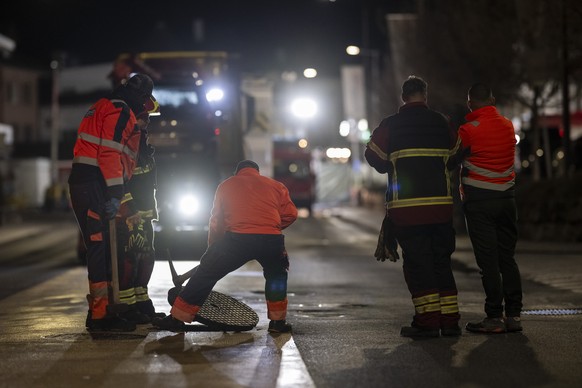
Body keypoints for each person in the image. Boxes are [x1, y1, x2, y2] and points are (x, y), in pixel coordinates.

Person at [364, 75, 462, 338]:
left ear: (403, 97)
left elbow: (372, 154)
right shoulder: (442, 122)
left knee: (419, 266)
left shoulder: (391, 126)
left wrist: (389, 166)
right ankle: (450, 322)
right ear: (425, 95)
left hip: (408, 211)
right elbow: (457, 153)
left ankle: (428, 323)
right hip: (441, 208)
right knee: (442, 262)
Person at [152, 160, 298, 333]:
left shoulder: (226, 185)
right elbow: (291, 214)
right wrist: (270, 227)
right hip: (271, 240)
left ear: (238, 172)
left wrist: (213, 248)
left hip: (237, 239)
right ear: (257, 172)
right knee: (277, 277)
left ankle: (177, 319)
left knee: (206, 273)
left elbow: (216, 222)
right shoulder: (275, 185)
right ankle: (277, 323)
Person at [68, 73, 156, 332]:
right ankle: (101, 317)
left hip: (83, 183)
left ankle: (101, 311)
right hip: (96, 183)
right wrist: (116, 193)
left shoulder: (101, 105)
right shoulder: (121, 110)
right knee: (101, 249)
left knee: (101, 249)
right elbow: (109, 151)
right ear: (141, 98)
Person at [454, 83, 522, 333]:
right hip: (507, 200)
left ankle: (494, 317)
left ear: (470, 103)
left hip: (480, 202)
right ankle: (514, 315)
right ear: (492, 99)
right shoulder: (507, 125)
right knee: (507, 258)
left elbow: (453, 158)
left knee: (488, 262)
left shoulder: (468, 130)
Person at [116, 96, 166, 324]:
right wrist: (130, 209)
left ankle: (142, 301)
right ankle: (127, 306)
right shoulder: (127, 144)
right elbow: (120, 179)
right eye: (145, 118)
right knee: (130, 258)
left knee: (146, 257)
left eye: (148, 119)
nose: (147, 123)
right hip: (131, 215)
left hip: (144, 213)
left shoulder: (142, 145)